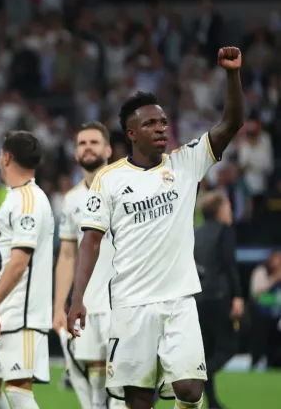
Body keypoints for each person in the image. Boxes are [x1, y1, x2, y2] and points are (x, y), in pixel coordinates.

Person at [67, 47, 244, 409]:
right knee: (138, 400)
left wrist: (231, 75)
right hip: (131, 304)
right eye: (150, 124)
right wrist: (77, 298)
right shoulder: (109, 179)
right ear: (131, 133)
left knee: (191, 390)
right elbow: (90, 241)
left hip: (180, 300)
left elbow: (231, 124)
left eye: (163, 122)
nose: (161, 128)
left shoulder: (186, 163)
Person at [0, 131, 53, 409]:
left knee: (18, 390)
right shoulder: (13, 197)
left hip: (20, 314)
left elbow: (19, 263)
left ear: (5, 157)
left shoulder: (29, 200)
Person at [53, 122, 123, 409]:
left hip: (122, 296)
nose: (88, 148)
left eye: (94, 142)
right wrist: (59, 304)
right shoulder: (70, 200)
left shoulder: (123, 188)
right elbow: (67, 255)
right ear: (75, 153)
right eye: (82, 143)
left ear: (108, 149)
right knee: (94, 377)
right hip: (88, 300)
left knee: (123, 380)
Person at [194, 192, 243, 409]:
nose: (231, 211)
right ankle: (195, 378)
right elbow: (229, 265)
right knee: (229, 347)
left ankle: (212, 402)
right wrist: (238, 296)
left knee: (206, 350)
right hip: (219, 296)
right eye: (228, 206)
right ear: (219, 210)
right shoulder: (225, 231)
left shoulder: (195, 232)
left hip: (198, 299)